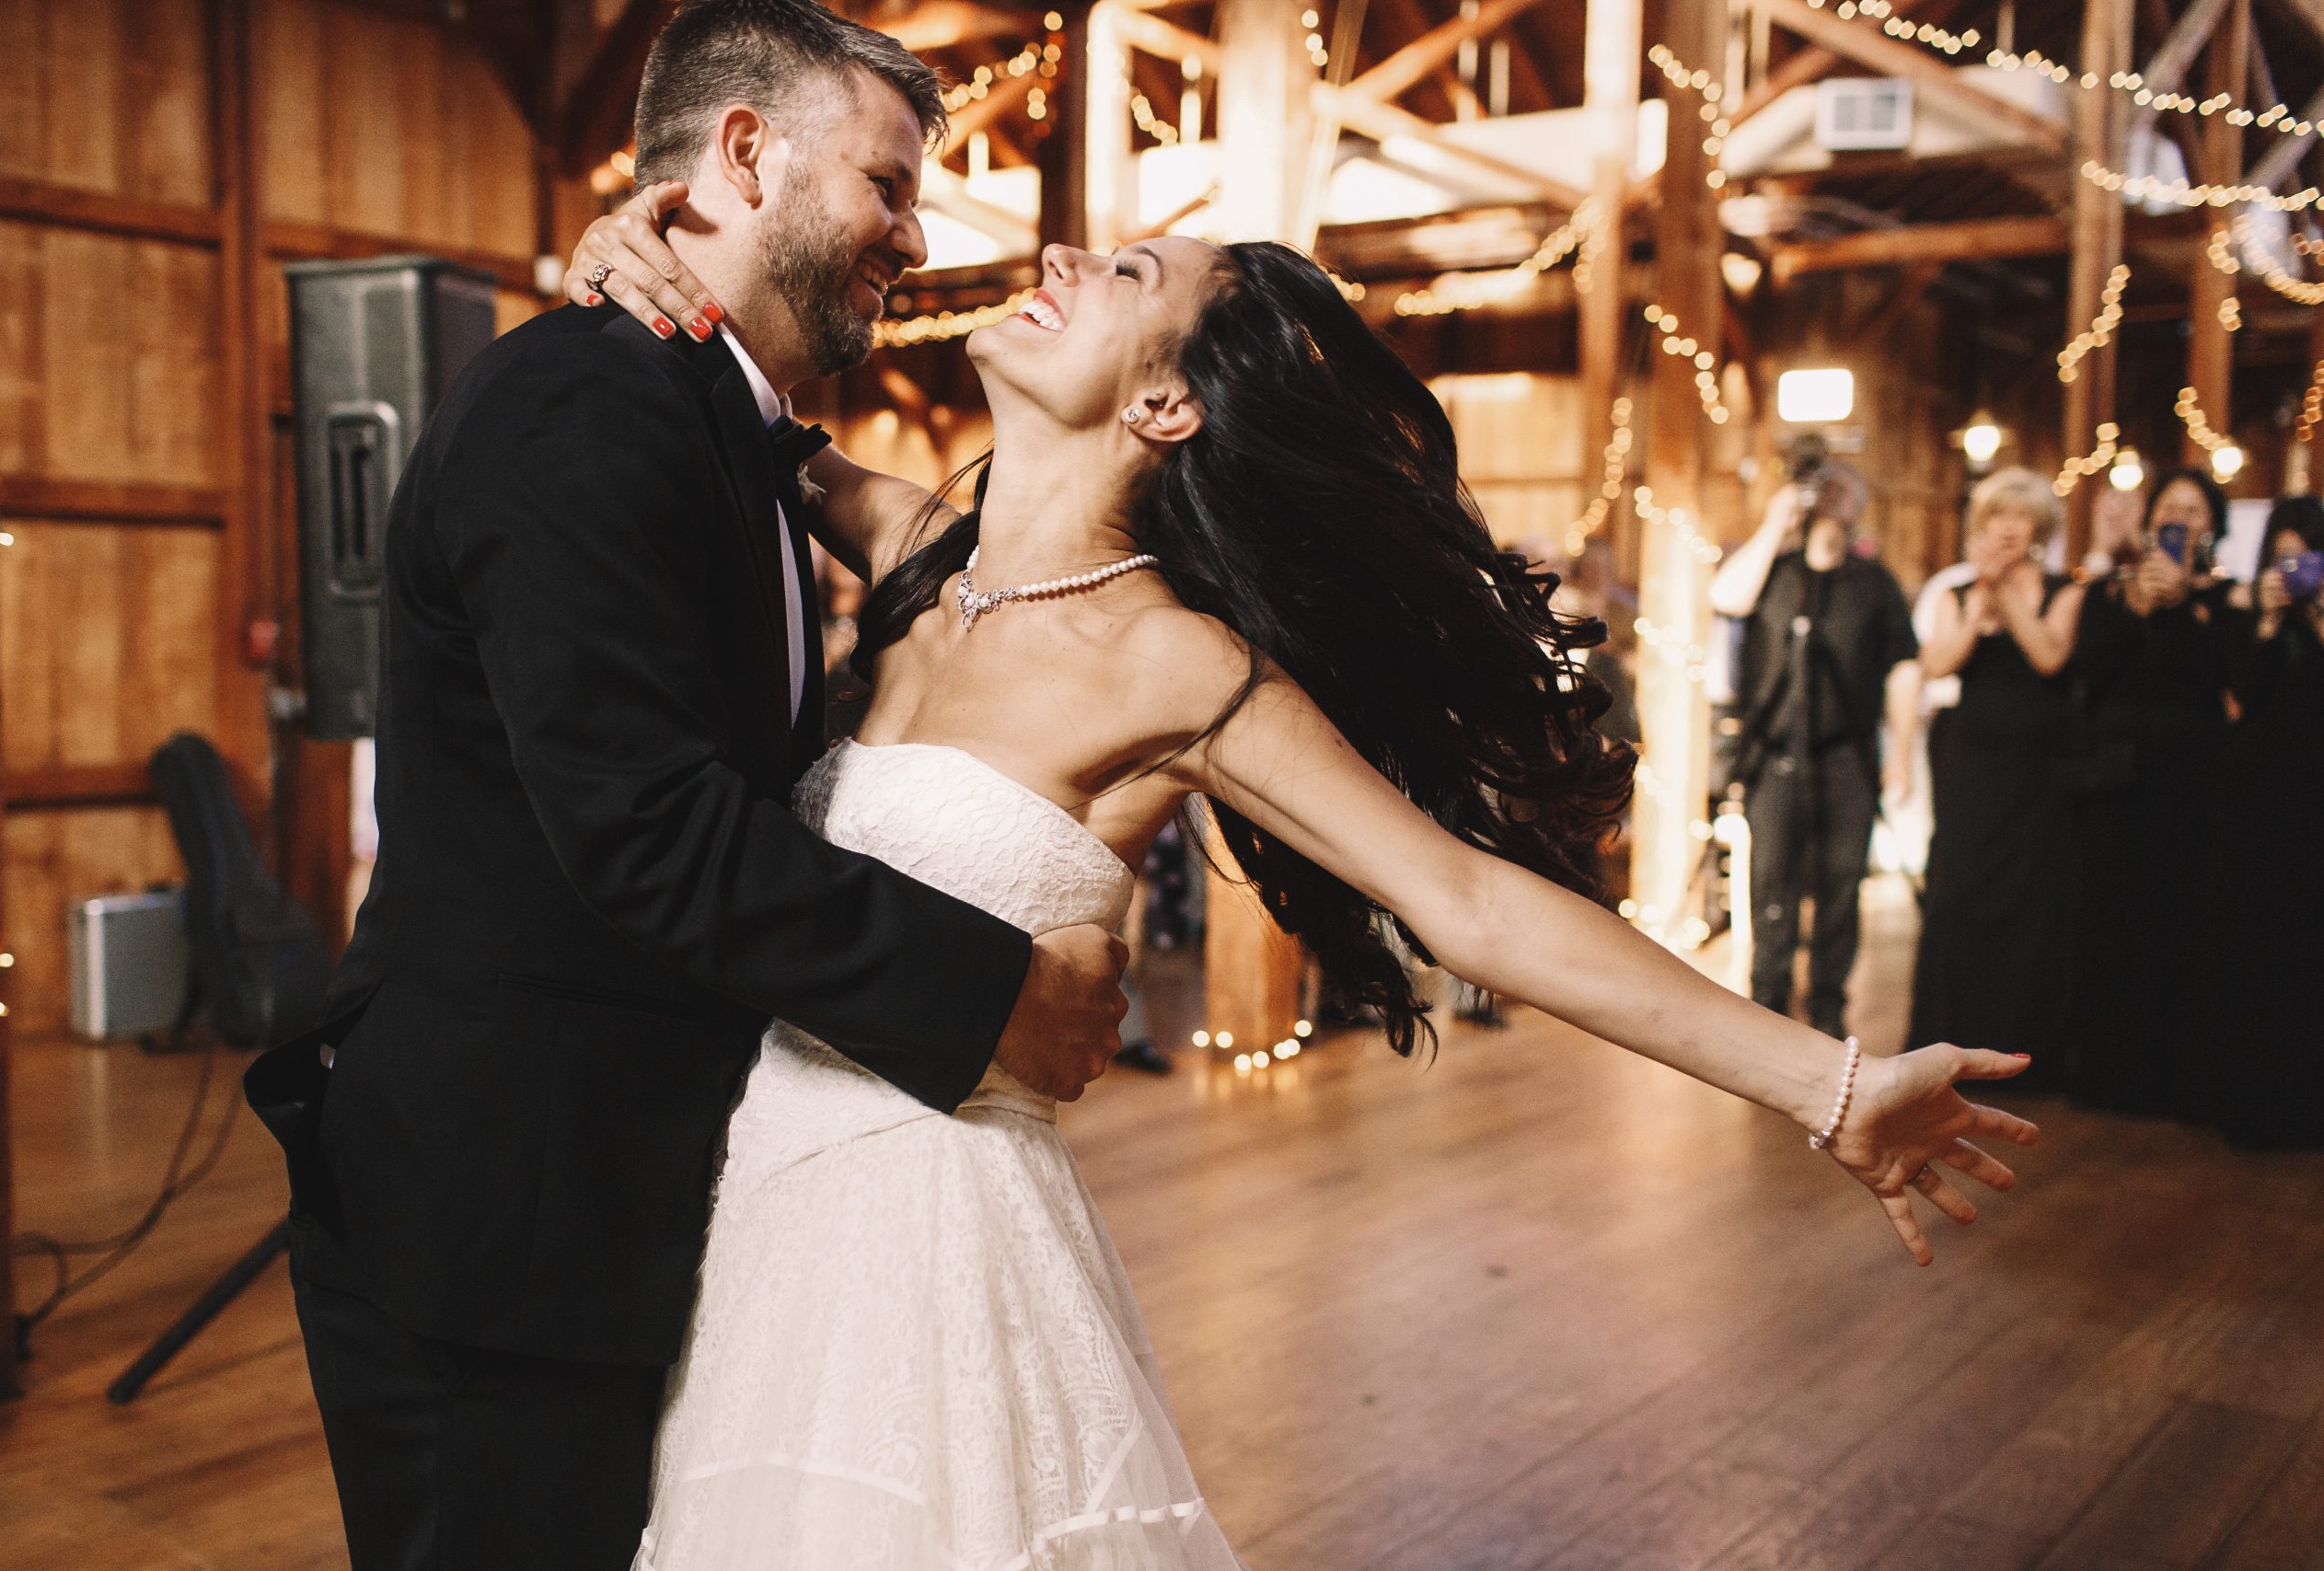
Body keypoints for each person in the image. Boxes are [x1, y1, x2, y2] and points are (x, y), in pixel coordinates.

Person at [570, 174, 2037, 1571]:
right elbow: (726, 396)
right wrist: (622, 254)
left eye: (1126, 273)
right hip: (769, 1198)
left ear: (1166, 399)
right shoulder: (911, 546)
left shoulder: (1177, 661)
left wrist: (1826, 1083)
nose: (1066, 260)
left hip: (942, 1244)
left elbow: (1463, 896)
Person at [239, 8, 1133, 1570]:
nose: (913, 237)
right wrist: (995, 996)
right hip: (497, 1224)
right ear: (744, 152)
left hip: (635, 1207)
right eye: (889, 183)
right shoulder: (577, 406)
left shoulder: (726, 429)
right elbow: (649, 831)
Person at [1709, 463, 1921, 1036]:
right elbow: (1725, 597)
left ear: (1859, 505)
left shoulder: (1874, 583)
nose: (1832, 497)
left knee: (1839, 885)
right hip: (1772, 754)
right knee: (1770, 880)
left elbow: (1904, 668)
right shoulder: (1772, 572)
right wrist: (1775, 524)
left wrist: (1899, 752)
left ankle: (1828, 1005)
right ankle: (1767, 1001)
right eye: (1823, 487)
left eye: (1844, 489)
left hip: (1847, 754)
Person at [2061, 467, 2235, 1116]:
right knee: (2110, 925)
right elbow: (2088, 677)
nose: (2181, 518)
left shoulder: (2221, 601)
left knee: (2177, 924)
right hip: (2114, 785)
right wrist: (2138, 605)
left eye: (2194, 509)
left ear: (2212, 525)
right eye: (2170, 506)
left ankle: (2171, 1077)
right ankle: (2104, 1070)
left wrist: (2183, 602)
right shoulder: (2110, 595)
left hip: (2190, 784)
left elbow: (2216, 681)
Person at [1905, 469, 2083, 1080]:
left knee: (2031, 904)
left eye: (2019, 516)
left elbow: (2049, 655)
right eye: (1996, 515)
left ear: (2038, 528)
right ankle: (1951, 1044)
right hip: (1972, 767)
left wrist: (2007, 592)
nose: (2006, 527)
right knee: (1957, 895)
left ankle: (2027, 1051)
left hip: (2037, 774)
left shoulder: (2064, 588)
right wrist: (1980, 596)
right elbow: (1935, 662)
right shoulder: (1960, 593)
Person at [2200, 495, 2324, 1147]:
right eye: (2284, 555)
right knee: (2253, 943)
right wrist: (2271, 622)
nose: (2294, 567)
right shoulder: (2246, 608)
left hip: (2313, 800)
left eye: (2308, 556)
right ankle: (2247, 1102)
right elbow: (2239, 698)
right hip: (2252, 799)